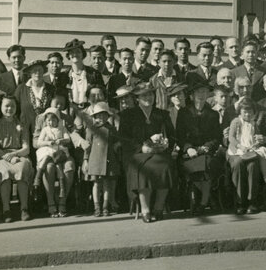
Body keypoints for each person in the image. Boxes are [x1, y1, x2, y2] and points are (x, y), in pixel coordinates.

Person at [120, 83, 176, 223]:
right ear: (137, 98)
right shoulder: (128, 115)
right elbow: (124, 138)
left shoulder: (162, 114)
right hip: (137, 154)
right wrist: (141, 148)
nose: (148, 97)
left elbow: (172, 135)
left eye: (150, 94)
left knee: (166, 165)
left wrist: (167, 143)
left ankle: (158, 207)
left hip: (158, 153)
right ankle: (145, 210)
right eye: (144, 95)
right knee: (142, 168)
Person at [175, 81, 222, 215]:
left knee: (207, 163)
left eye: (204, 92)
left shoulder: (213, 114)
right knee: (195, 166)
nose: (201, 95)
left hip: (206, 151)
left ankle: (202, 202)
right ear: (192, 95)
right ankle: (204, 199)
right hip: (188, 153)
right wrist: (188, 148)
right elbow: (179, 135)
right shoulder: (184, 113)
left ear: (208, 94)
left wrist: (207, 146)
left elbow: (216, 137)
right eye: (198, 92)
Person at [226, 101, 266, 213]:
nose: (247, 115)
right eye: (245, 112)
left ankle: (252, 201)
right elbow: (231, 138)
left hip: (250, 151)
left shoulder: (253, 123)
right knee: (239, 163)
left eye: (250, 112)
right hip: (237, 151)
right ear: (239, 112)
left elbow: (257, 138)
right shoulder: (236, 122)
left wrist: (259, 140)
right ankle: (241, 202)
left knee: (253, 165)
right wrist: (240, 146)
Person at [33, 107, 71, 217]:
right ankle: (38, 175)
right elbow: (39, 142)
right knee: (46, 156)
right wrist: (48, 142)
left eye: (53, 120)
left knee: (58, 165)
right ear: (45, 121)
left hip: (59, 152)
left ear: (58, 119)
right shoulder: (45, 130)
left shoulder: (61, 128)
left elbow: (68, 139)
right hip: (48, 150)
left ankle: (61, 189)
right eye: (48, 120)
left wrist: (61, 140)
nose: (51, 122)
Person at [84, 101, 120, 217]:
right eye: (98, 115)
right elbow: (87, 145)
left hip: (108, 159)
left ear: (107, 116)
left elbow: (116, 141)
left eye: (103, 115)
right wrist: (85, 160)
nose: (101, 117)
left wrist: (117, 145)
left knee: (106, 184)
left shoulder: (112, 129)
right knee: (96, 184)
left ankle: (105, 207)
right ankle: (96, 207)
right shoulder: (91, 129)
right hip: (95, 160)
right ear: (95, 116)